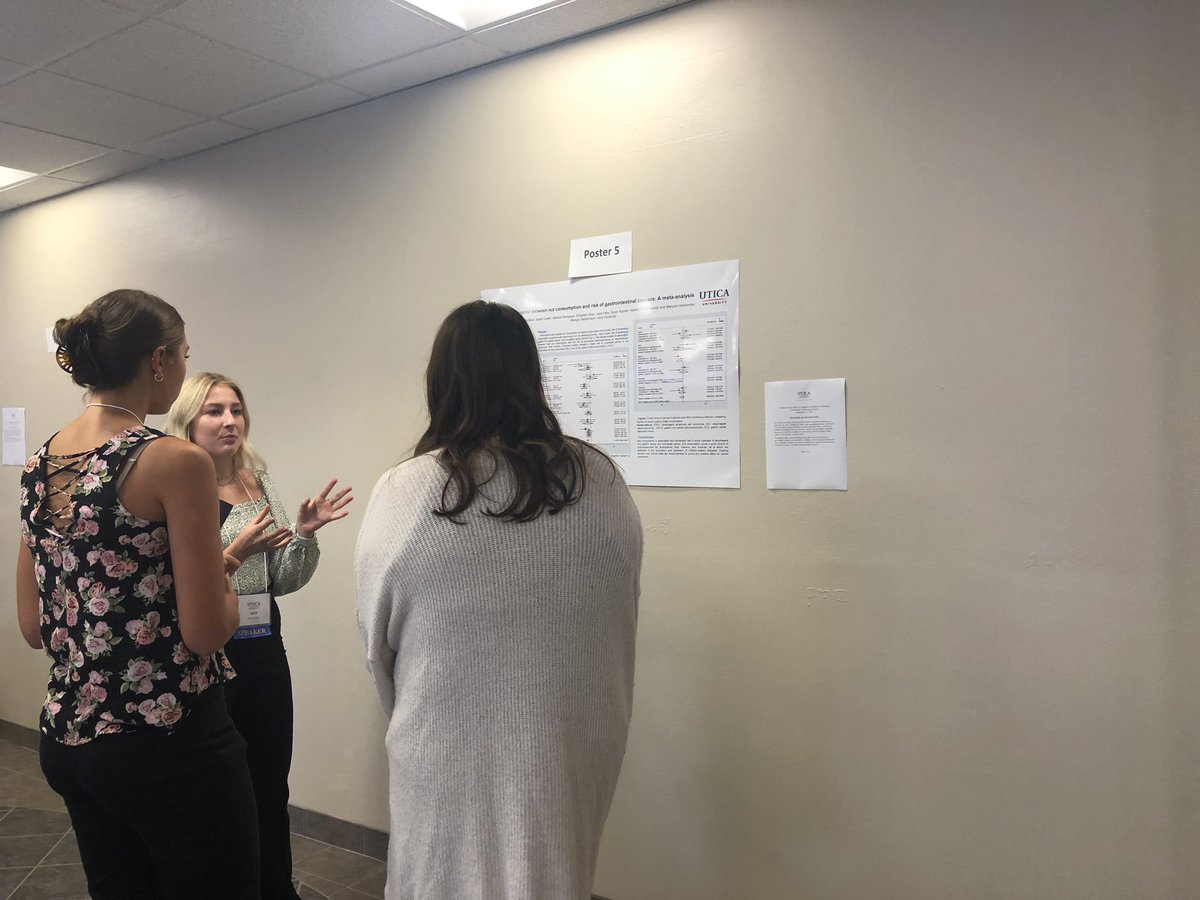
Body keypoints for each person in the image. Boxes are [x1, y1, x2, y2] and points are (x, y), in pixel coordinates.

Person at [354, 300, 643, 900]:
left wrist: (417, 714)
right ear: (530, 375)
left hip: (443, 741)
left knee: (438, 878)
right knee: (554, 879)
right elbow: (619, 618)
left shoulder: (408, 491)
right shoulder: (602, 481)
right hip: (573, 740)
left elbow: (375, 643)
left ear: (441, 381)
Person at [16, 289, 260, 899]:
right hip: (169, 740)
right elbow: (205, 630)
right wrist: (228, 573)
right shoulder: (173, 460)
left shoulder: (42, 461)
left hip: (71, 734)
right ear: (158, 360)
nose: (182, 368)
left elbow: (33, 625)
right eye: (183, 355)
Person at [165, 372, 352, 900]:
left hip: (264, 653)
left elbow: (280, 582)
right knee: (220, 796)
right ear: (188, 420)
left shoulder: (257, 481)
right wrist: (234, 554)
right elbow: (177, 586)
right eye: (214, 411)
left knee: (269, 787)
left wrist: (306, 536)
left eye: (236, 410)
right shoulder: (178, 485)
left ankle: (276, 888)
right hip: (208, 659)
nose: (230, 422)